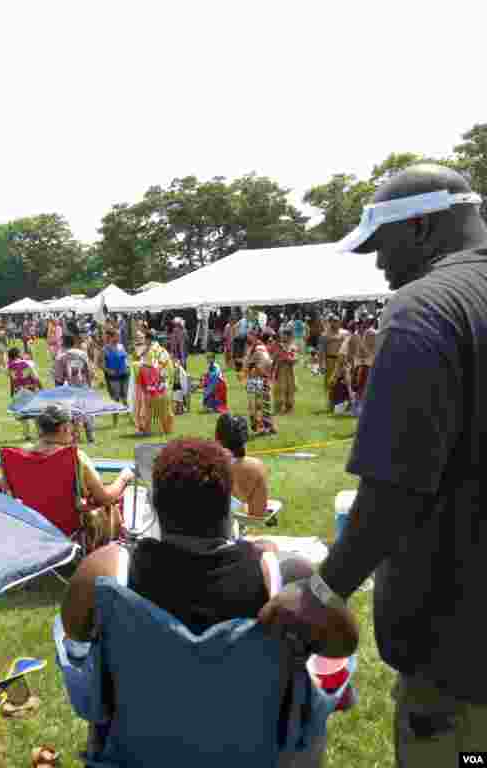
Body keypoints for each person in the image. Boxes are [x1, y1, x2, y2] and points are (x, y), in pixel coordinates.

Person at [260, 164, 487, 760]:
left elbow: (397, 488)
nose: (381, 267)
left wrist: (325, 590)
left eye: (383, 247)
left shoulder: (425, 309)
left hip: (462, 653)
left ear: (419, 228)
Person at [60, 438, 345, 765]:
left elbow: (75, 634)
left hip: (141, 755)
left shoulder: (107, 570)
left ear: (153, 503)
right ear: (228, 505)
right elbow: (342, 645)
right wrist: (306, 578)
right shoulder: (284, 574)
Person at [0, 405, 130, 549]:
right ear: (64, 428)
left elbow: (0, 483)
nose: (75, 430)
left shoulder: (18, 458)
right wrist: (124, 478)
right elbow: (104, 498)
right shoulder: (74, 458)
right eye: (73, 425)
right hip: (70, 535)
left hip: (34, 532)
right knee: (110, 509)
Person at [214, 413, 270, 520]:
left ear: (217, 436)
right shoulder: (256, 467)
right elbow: (258, 515)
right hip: (226, 531)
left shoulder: (202, 462)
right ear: (245, 438)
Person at [55, 334, 96, 444]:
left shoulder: (61, 357)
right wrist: (90, 385)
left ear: (63, 343)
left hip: (69, 388)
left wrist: (58, 392)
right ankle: (90, 437)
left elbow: (59, 378)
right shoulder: (82, 354)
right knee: (86, 412)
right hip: (83, 386)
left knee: (71, 414)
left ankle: (74, 437)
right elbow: (89, 371)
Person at [134, 330, 173, 437]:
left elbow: (150, 367)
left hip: (152, 382)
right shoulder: (162, 350)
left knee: (148, 407)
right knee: (164, 407)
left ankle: (147, 430)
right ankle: (166, 429)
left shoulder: (150, 350)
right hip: (163, 382)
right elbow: (168, 367)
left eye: (144, 339)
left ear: (148, 339)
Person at [244, 329, 276, 436]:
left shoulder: (258, 348)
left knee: (259, 404)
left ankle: (262, 426)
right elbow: (255, 364)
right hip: (256, 378)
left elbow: (262, 363)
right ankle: (262, 426)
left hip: (257, 378)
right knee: (258, 404)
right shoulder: (257, 348)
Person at [7, 347, 41, 440]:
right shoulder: (28, 363)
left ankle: (26, 434)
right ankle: (39, 433)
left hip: (18, 391)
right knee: (36, 413)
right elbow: (36, 378)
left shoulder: (10, 366)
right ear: (18, 354)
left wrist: (12, 393)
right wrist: (41, 388)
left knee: (23, 415)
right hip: (30, 390)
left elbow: (12, 380)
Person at [319, 316, 350, 413]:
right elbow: (321, 351)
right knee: (330, 381)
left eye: (336, 321)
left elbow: (350, 347)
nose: (334, 323)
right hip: (330, 360)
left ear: (339, 322)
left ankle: (346, 403)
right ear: (329, 322)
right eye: (332, 321)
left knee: (346, 381)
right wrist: (322, 364)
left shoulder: (345, 333)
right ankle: (331, 403)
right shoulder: (325, 335)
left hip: (343, 361)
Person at [102, 330, 130, 427]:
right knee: (116, 398)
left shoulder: (121, 346)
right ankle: (115, 421)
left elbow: (126, 358)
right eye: (117, 336)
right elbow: (102, 364)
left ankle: (131, 418)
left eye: (119, 336)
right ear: (111, 337)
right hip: (113, 376)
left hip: (124, 374)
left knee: (125, 397)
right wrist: (108, 370)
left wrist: (127, 366)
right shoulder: (105, 349)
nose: (118, 338)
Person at [271, 326, 299, 415]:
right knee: (280, 388)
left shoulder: (293, 346)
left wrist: (290, 359)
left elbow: (296, 358)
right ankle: (278, 408)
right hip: (280, 370)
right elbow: (273, 358)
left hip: (290, 370)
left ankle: (289, 408)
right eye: (282, 335)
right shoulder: (277, 346)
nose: (283, 337)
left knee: (290, 388)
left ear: (290, 336)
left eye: (285, 335)